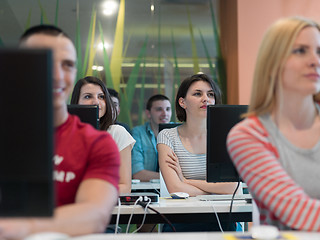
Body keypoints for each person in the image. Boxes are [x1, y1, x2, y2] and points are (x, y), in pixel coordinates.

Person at [0, 25, 120, 239]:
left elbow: (94, 215)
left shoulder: (97, 143)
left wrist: (17, 228)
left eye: (67, 65)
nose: (57, 75)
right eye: (44, 61)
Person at [227, 16, 320, 231]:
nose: (315, 60)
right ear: (271, 64)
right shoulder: (249, 135)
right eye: (300, 51)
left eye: (319, 51)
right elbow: (302, 214)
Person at [157, 73, 238, 231]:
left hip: (221, 219)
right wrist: (215, 191)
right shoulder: (167, 136)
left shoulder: (225, 135)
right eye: (197, 94)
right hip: (180, 219)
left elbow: (232, 187)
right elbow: (175, 188)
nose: (205, 99)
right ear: (182, 102)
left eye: (210, 94)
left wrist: (186, 181)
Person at [71, 76, 135, 194]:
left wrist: (89, 195)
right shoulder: (66, 134)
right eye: (88, 96)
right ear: (76, 102)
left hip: (107, 208)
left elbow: (125, 187)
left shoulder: (117, 133)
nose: (96, 102)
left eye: (101, 97)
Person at [131, 94, 172, 182]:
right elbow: (138, 173)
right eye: (159, 109)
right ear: (148, 113)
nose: (165, 114)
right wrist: (173, 177)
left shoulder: (178, 131)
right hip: (146, 189)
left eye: (168, 109)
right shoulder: (138, 133)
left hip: (177, 189)